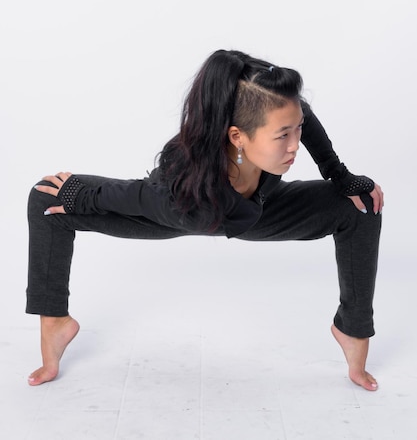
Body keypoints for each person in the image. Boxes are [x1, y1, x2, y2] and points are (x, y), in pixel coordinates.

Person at [26, 49, 384, 390]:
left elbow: (299, 113)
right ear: (237, 137)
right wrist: (87, 197)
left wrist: (339, 175)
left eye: (297, 130)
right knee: (45, 198)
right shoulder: (184, 186)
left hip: (260, 209)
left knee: (362, 204)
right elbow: (138, 197)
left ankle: (351, 330)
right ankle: (56, 322)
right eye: (282, 136)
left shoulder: (265, 111)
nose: (294, 145)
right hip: (186, 212)